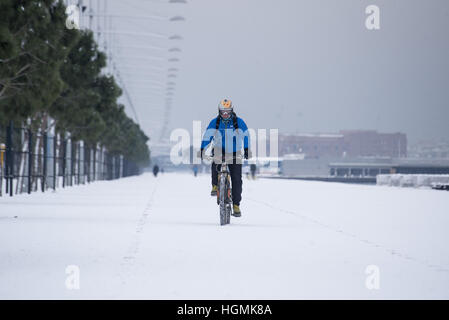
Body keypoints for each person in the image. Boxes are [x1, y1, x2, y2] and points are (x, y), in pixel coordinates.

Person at [198, 99, 251, 217]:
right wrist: (202, 149)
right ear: (219, 111)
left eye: (228, 112)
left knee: (237, 179)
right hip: (219, 150)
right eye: (223, 112)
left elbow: (246, 135)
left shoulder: (238, 122)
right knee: (215, 163)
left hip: (234, 152)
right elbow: (208, 136)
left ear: (232, 111)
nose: (225, 114)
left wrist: (247, 149)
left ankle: (236, 205)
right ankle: (215, 185)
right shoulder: (215, 122)